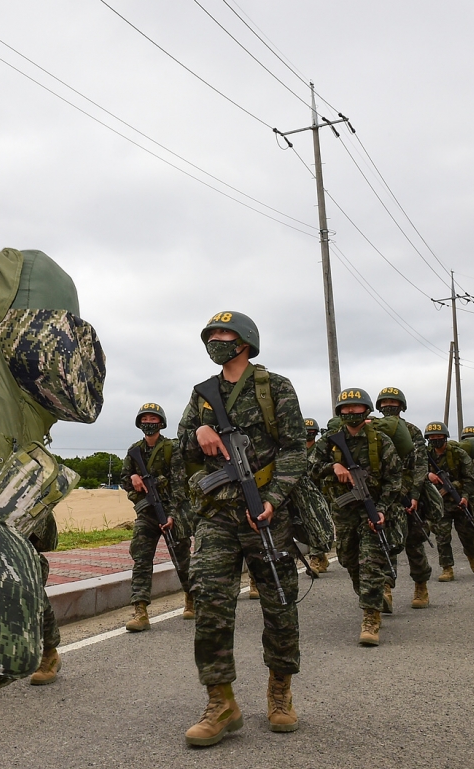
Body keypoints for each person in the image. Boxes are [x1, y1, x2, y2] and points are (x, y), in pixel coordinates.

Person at [173, 311, 304, 745]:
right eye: (210, 334)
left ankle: (280, 691)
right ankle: (221, 702)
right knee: (210, 602)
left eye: (223, 334)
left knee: (279, 604)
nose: (215, 340)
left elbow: (294, 450)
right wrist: (202, 432)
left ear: (244, 341)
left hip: (265, 512)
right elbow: (183, 446)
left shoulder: (275, 387)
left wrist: (272, 499)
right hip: (216, 515)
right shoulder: (202, 395)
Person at [311, 388, 404, 647]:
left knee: (371, 563)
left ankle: (370, 617)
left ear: (366, 411)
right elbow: (308, 467)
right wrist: (333, 466)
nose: (351, 413)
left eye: (356, 408)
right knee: (349, 559)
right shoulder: (329, 442)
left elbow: (394, 479)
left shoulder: (380, 441)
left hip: (373, 510)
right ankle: (368, 597)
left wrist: (383, 508)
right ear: (339, 412)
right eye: (346, 409)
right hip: (344, 512)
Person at [121, 403, 192, 630]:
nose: (149, 423)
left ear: (161, 423)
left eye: (153, 419)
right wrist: (133, 477)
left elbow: (181, 485)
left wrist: (171, 514)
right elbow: (124, 480)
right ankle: (140, 611)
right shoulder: (134, 451)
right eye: (145, 419)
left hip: (172, 512)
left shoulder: (172, 449)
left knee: (182, 560)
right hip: (147, 513)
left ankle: (191, 598)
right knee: (141, 560)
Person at [376, 388, 433, 610]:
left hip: (409, 494)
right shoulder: (373, 429)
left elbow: (420, 465)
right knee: (385, 542)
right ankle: (385, 588)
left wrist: (415, 495)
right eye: (385, 402)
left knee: (414, 542)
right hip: (385, 495)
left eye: (393, 402)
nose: (389, 406)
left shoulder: (412, 431)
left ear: (402, 406)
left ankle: (421, 585)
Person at [423, 422, 474, 581]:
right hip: (439, 503)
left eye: (438, 436)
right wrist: (428, 475)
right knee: (442, 537)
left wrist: (465, 496)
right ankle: (447, 568)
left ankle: (472, 554)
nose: (435, 439)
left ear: (445, 437)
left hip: (460, 502)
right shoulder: (425, 455)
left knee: (468, 535)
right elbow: (416, 472)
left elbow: (471, 479)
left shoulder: (459, 454)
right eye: (432, 437)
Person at [300, 417, 330, 574]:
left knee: (317, 525)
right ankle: (321, 556)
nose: (308, 434)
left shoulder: (320, 449)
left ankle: (315, 558)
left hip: (320, 495)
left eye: (311, 432)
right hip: (301, 495)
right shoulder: (296, 451)